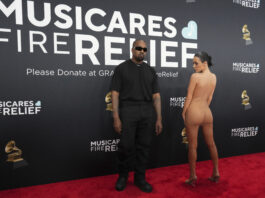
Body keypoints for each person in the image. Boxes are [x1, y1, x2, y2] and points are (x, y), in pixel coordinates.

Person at [110, 39, 163, 192]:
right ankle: (123, 177)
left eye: (145, 49)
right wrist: (116, 117)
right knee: (126, 147)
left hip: (147, 111)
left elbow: (157, 96)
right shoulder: (121, 68)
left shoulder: (151, 71)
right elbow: (114, 93)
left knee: (144, 147)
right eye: (139, 48)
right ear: (132, 49)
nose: (142, 51)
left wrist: (159, 118)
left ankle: (140, 179)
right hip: (128, 110)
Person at [182, 51, 220, 186]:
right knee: (212, 144)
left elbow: (189, 97)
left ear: (205, 63)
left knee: (193, 146)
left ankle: (192, 177)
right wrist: (203, 108)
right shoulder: (214, 77)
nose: (193, 66)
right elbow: (209, 98)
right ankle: (216, 172)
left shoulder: (195, 77)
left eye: (196, 63)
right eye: (193, 63)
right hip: (207, 112)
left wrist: (184, 112)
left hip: (194, 112)